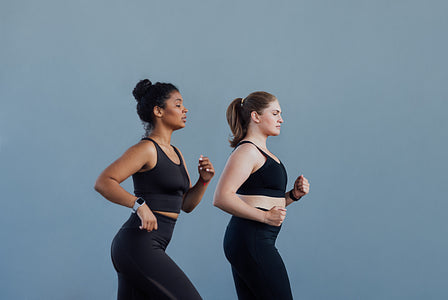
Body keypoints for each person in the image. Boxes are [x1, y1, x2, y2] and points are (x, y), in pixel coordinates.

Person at [94, 79, 214, 300]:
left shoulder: (176, 153)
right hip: (138, 245)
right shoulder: (146, 149)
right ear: (158, 111)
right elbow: (104, 182)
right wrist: (138, 205)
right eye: (178, 104)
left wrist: (203, 181)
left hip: (150, 244)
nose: (184, 109)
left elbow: (186, 205)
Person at [213, 91, 310, 300]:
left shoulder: (262, 152)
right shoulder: (247, 151)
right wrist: (265, 218)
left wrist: (293, 195)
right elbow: (221, 197)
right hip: (251, 238)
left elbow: (262, 201)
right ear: (255, 116)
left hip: (253, 239)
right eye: (275, 113)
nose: (281, 119)